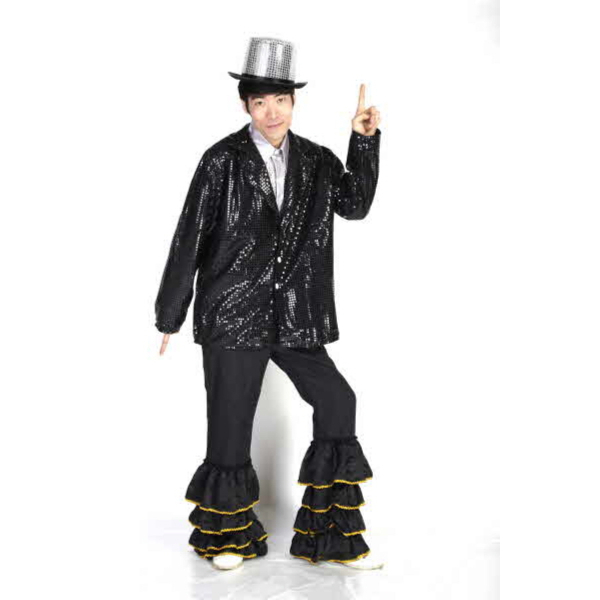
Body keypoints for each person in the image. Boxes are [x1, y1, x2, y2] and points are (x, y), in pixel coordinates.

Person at [154, 37, 383, 571]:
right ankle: (227, 537)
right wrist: (170, 313)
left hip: (296, 313)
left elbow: (355, 206)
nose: (271, 111)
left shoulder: (317, 160)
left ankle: (330, 536)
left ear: (293, 101)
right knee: (230, 422)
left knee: (338, 400)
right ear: (246, 106)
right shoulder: (221, 160)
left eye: (280, 99)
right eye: (260, 102)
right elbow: (189, 236)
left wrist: (364, 142)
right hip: (233, 311)